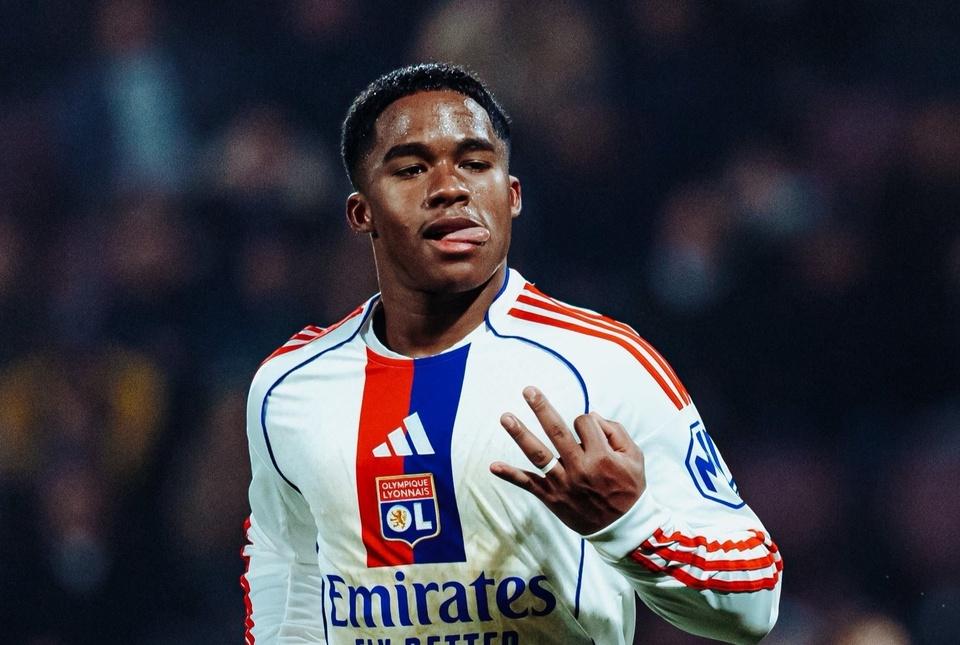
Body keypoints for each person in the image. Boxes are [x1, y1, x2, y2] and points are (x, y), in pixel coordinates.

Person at [242, 63, 781, 645]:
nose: (450, 188)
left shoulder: (602, 362)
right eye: (412, 168)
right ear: (361, 212)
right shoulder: (289, 385)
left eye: (476, 164)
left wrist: (629, 525)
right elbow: (287, 575)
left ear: (512, 195)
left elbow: (755, 603)